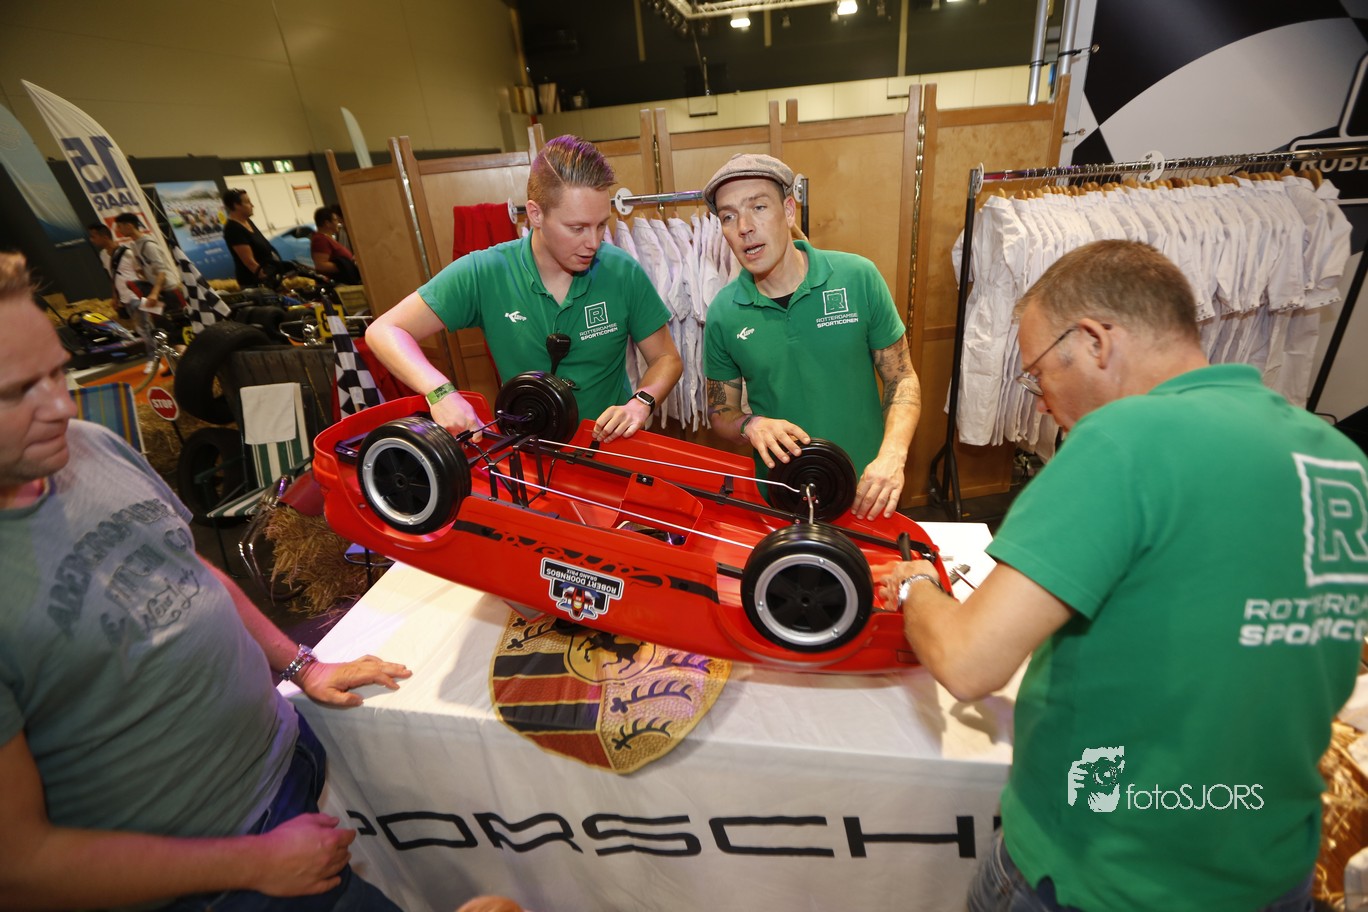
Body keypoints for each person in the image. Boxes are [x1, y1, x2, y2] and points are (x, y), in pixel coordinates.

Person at [885, 240, 1368, 911]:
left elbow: (968, 663)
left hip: (1104, 871)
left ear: (1093, 341)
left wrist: (917, 588)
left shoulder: (1119, 440)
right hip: (1273, 869)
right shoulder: (1341, 457)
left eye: (1037, 373)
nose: (1041, 400)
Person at [0, 249, 412, 908]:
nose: (60, 405)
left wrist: (302, 665)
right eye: (17, 391)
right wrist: (251, 864)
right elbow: (19, 867)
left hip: (286, 774)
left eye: (57, 372)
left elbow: (189, 570)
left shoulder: (91, 446)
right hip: (213, 879)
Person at [366, 134, 682, 445]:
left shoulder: (622, 271)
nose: (594, 242)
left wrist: (641, 402)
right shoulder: (485, 271)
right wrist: (440, 392)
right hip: (527, 453)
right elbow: (384, 330)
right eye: (577, 228)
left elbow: (666, 358)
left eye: (601, 225)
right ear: (535, 214)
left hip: (611, 451)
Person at [700, 153, 921, 520]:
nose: (744, 227)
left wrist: (892, 456)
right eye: (728, 216)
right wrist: (750, 424)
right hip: (781, 500)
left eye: (758, 207)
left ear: (788, 211)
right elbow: (721, 411)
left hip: (868, 492)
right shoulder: (724, 312)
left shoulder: (857, 277)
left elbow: (902, 377)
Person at [87, 221, 153, 369]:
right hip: (124, 297)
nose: (92, 240)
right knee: (141, 329)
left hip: (136, 295)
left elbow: (141, 272)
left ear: (104, 236)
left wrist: (149, 292)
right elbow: (113, 276)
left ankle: (153, 358)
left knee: (144, 328)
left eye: (93, 236)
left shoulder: (128, 252)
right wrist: (115, 297)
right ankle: (154, 356)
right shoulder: (103, 255)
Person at [222, 187, 282, 289]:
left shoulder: (247, 221)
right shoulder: (233, 228)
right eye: (248, 202)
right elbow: (250, 262)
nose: (252, 205)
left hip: (268, 276)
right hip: (254, 283)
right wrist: (269, 280)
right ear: (236, 205)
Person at [310, 206, 361, 285]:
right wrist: (347, 265)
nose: (338, 223)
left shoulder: (328, 238)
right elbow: (320, 265)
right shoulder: (320, 239)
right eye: (335, 220)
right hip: (339, 284)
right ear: (327, 223)